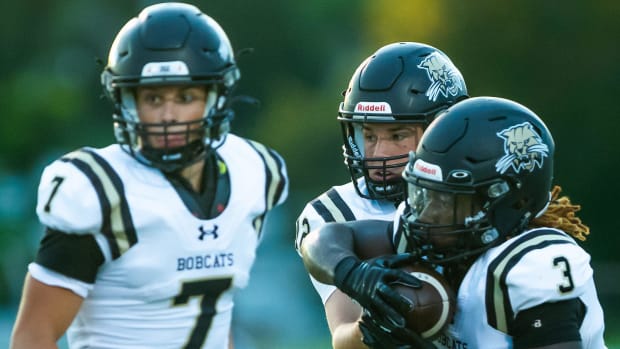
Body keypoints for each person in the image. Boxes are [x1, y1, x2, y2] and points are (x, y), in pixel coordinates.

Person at [10, 3, 288, 349]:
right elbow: (32, 337)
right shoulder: (102, 192)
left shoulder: (252, 173)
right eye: (153, 97)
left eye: (186, 96)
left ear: (214, 97)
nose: (168, 115)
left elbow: (212, 313)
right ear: (128, 100)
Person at [300, 96, 607, 348]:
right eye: (425, 193)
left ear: (503, 201)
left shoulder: (534, 265)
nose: (428, 212)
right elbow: (324, 240)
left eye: (447, 199)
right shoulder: (436, 234)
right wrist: (353, 274)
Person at [295, 42, 468, 348]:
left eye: (398, 135)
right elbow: (343, 339)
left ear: (443, 131)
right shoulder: (333, 212)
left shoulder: (478, 195)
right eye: (369, 135)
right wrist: (374, 328)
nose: (378, 154)